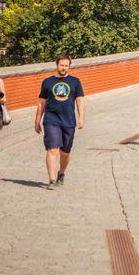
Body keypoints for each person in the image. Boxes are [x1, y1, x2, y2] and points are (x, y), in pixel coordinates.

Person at [34, 54, 85, 190]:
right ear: (57, 65)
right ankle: (51, 179)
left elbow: (79, 100)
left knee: (65, 152)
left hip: (68, 120)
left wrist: (81, 118)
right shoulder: (47, 82)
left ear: (69, 66)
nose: (63, 68)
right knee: (53, 149)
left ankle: (61, 173)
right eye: (61, 65)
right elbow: (41, 103)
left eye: (66, 66)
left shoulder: (75, 81)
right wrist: (37, 120)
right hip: (51, 119)